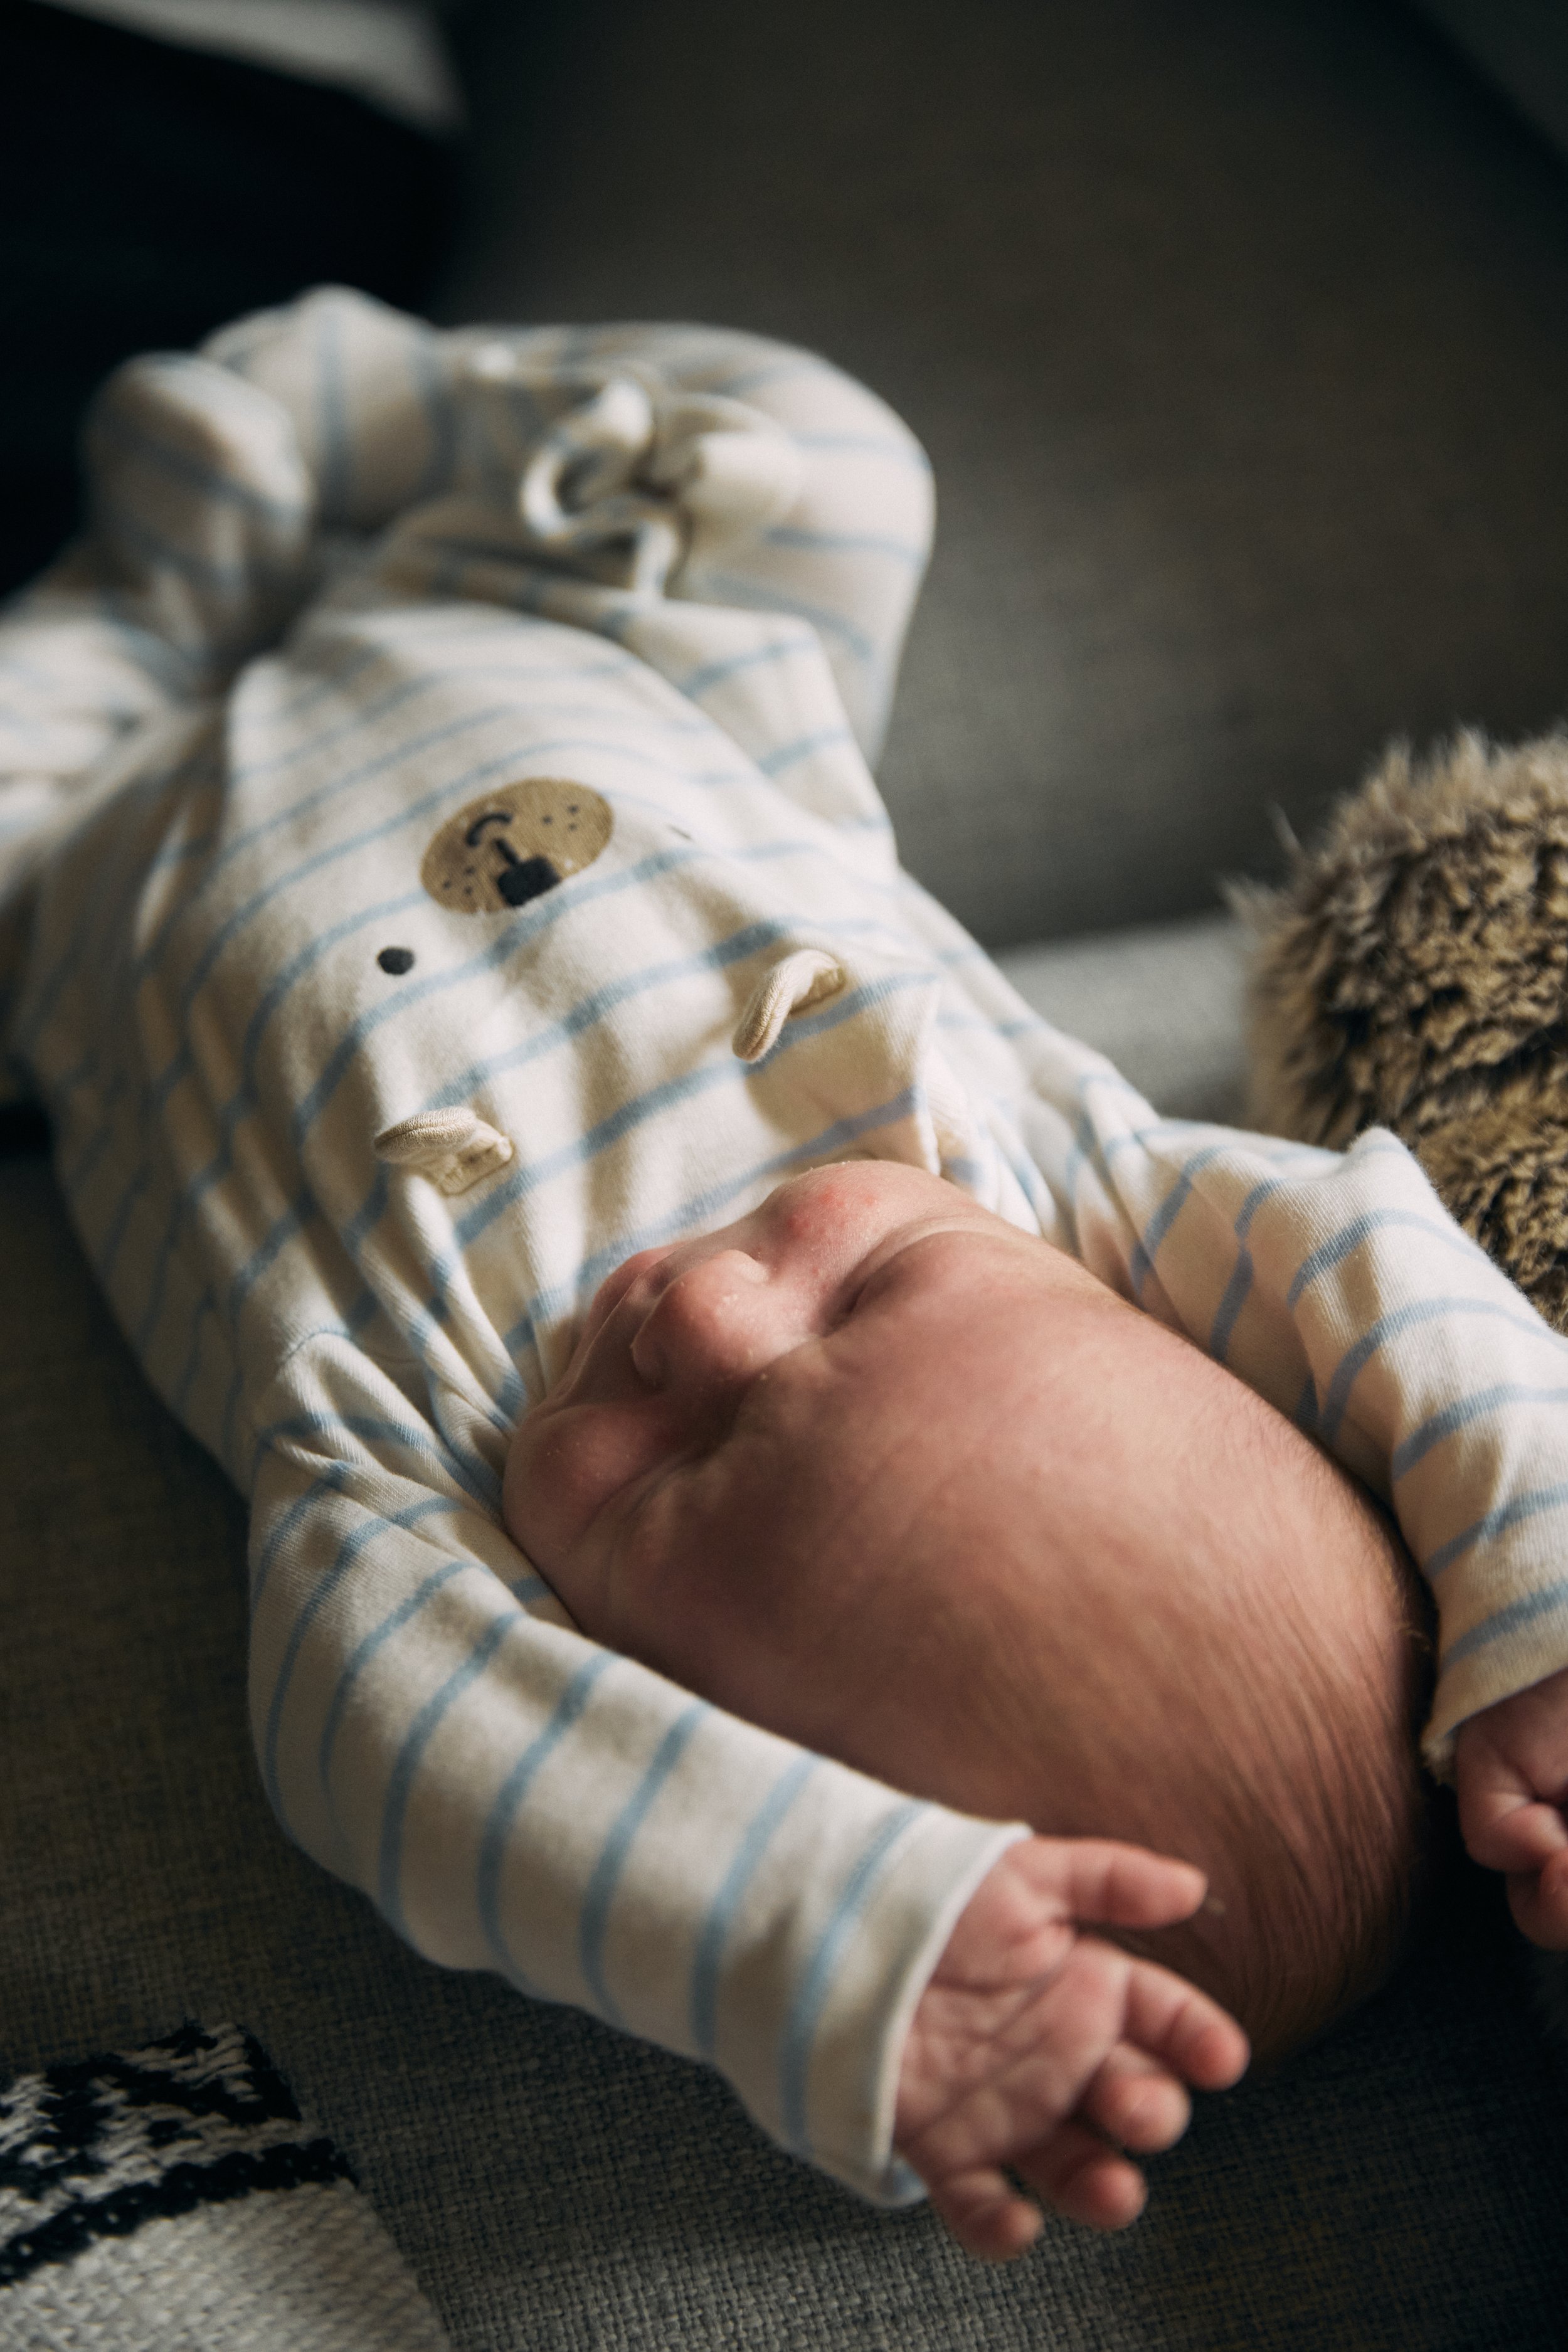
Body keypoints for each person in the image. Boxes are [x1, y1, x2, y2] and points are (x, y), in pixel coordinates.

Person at [3, 287, 1565, 2264]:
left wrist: (820, 1921)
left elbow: (401, 1761)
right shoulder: (1048, 1176)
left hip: (73, 835)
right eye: (868, 1298)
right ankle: (354, 416)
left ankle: (149, 590)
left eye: (667, 1477)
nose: (694, 1315)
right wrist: (1534, 1569)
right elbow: (1357, 1256)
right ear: (1121, 1312)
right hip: (568, 623)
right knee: (821, 456)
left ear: (650, 1701)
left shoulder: (411, 1482)